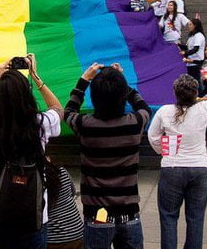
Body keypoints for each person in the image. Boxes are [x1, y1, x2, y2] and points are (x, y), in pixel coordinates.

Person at [0, 54, 62, 248]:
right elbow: (57, 109)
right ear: (26, 93)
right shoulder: (41, 124)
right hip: (32, 220)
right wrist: (36, 77)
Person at [64, 63, 152, 249]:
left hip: (97, 216)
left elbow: (69, 111)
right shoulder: (135, 123)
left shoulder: (85, 125)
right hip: (129, 215)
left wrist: (84, 81)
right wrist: (122, 83)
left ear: (95, 97)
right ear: (122, 97)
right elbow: (144, 107)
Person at [148, 74, 207, 249]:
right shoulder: (205, 108)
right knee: (195, 217)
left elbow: (153, 137)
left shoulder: (165, 111)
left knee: (168, 217)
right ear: (195, 93)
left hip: (172, 168)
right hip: (199, 168)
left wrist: (166, 152)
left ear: (175, 93)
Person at [46, 161, 84, 249]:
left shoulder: (36, 177)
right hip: (77, 233)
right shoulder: (62, 171)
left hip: (52, 239)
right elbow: (73, 192)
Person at [180, 19, 206, 93]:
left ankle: (200, 95)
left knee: (196, 81)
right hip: (190, 63)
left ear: (195, 26)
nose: (189, 26)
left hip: (196, 61)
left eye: (190, 24)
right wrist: (178, 44)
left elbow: (195, 49)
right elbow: (187, 47)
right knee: (191, 81)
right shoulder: (192, 36)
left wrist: (185, 53)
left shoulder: (199, 36)